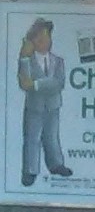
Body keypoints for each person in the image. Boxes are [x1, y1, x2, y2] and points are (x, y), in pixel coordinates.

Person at [17, 21, 72, 185]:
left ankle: (56, 164)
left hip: (53, 106)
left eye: (47, 37)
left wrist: (36, 84)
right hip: (34, 107)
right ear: (32, 41)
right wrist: (25, 57)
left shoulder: (58, 61)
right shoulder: (27, 60)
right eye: (40, 38)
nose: (45, 41)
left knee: (52, 137)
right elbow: (23, 83)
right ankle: (30, 170)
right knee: (32, 139)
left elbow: (58, 83)